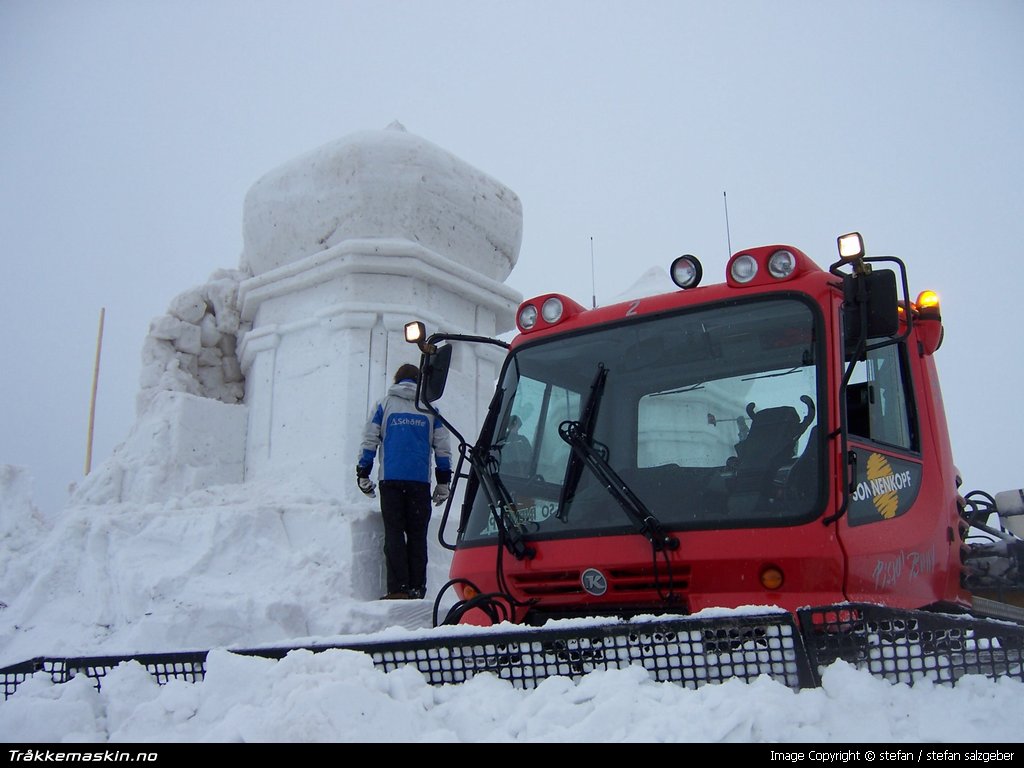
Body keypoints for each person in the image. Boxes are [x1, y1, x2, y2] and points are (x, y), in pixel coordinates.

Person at [356, 363, 452, 600]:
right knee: (418, 536)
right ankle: (418, 588)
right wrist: (443, 481)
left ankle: (398, 589)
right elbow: (442, 447)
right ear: (420, 381)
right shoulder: (430, 409)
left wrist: (363, 472)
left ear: (397, 380)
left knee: (395, 534)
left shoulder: (383, 405)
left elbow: (370, 439)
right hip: (419, 482)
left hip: (391, 480)